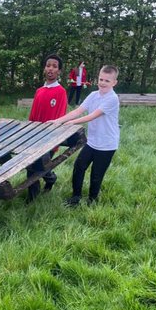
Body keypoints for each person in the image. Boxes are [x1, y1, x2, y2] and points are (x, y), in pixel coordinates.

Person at [50, 64, 121, 206]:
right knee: (79, 166)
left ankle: (92, 201)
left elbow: (92, 116)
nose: (103, 83)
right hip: (92, 141)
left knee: (96, 175)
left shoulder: (112, 99)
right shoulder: (93, 95)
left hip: (107, 144)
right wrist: (57, 121)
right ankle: (75, 198)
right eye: (101, 79)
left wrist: (72, 123)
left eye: (107, 81)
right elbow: (78, 111)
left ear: (114, 83)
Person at [24, 53, 73, 201]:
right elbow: (33, 115)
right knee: (31, 167)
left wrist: (54, 140)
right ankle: (31, 198)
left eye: (55, 66)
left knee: (41, 167)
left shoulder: (61, 92)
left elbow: (60, 117)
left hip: (50, 139)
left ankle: (50, 179)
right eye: (48, 65)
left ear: (59, 71)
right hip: (35, 137)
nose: (51, 69)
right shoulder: (39, 91)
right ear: (44, 69)